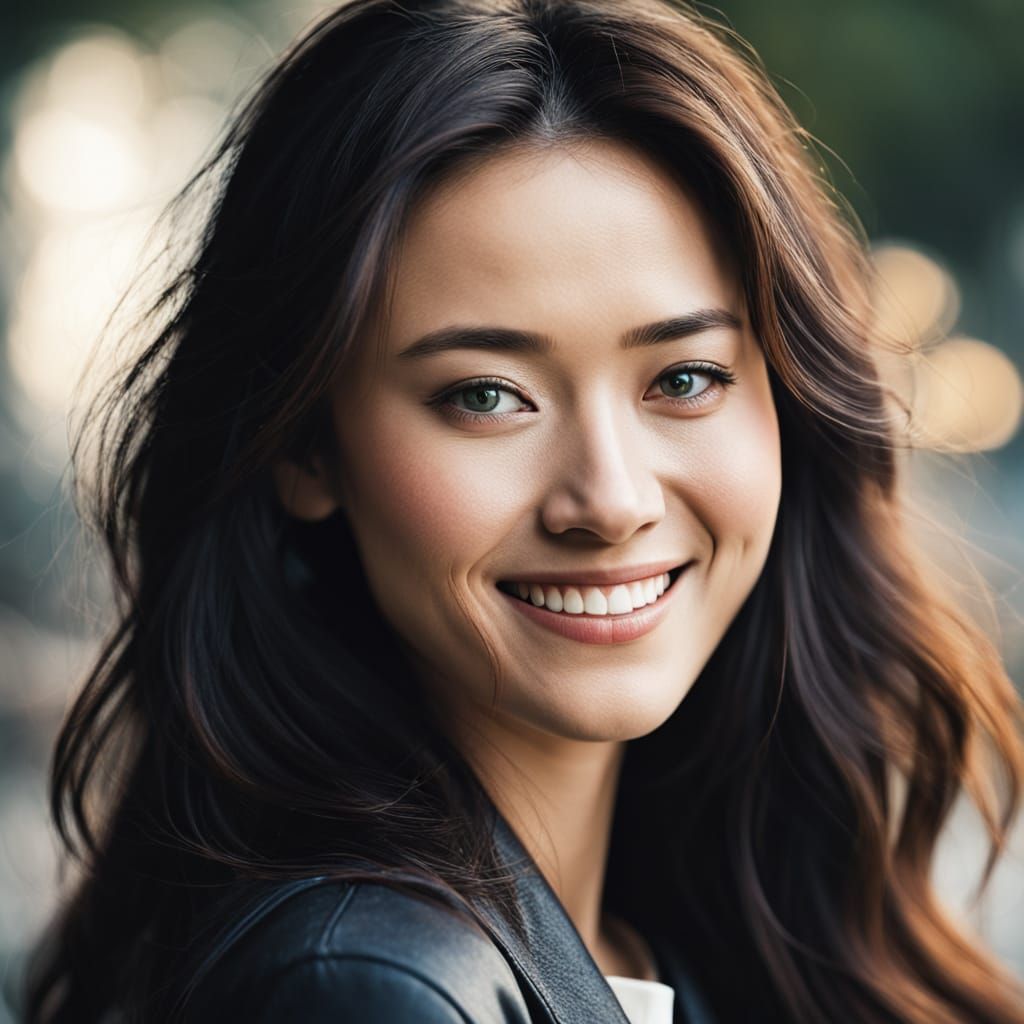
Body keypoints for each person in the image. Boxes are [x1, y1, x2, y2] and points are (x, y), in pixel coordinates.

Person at [17, 0, 1024, 1020]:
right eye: (486, 395)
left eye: (683, 378)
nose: (611, 500)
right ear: (305, 448)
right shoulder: (365, 991)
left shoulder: (702, 931)